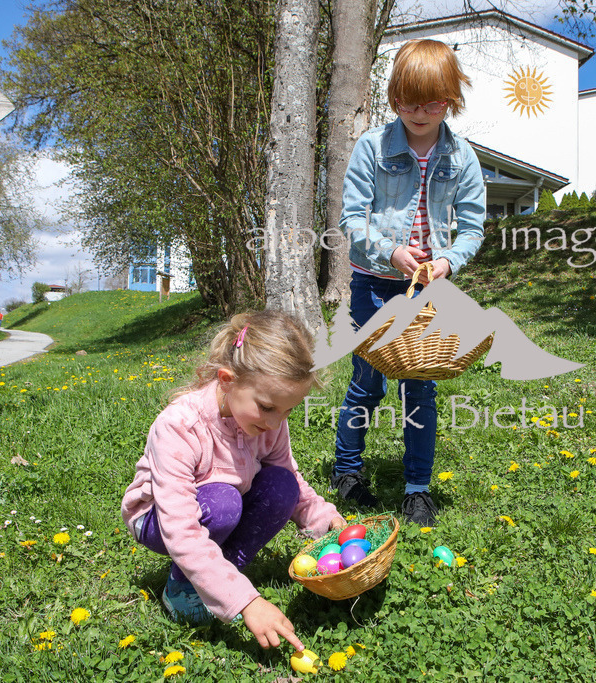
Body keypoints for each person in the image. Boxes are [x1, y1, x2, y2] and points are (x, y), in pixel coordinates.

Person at [121, 310, 344, 651]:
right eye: (268, 407)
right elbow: (179, 529)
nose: (275, 423)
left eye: (288, 411)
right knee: (223, 504)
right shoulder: (181, 426)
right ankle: (181, 590)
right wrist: (247, 602)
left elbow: (291, 482)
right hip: (159, 518)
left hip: (222, 503)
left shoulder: (269, 423)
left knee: (282, 485)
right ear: (227, 380)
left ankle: (224, 573)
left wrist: (326, 520)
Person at [331, 39, 486, 526]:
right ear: (395, 98)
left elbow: (475, 226)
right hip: (374, 286)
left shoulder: (461, 158)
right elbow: (353, 220)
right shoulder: (372, 148)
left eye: (432, 102)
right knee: (367, 383)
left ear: (450, 100)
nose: (419, 112)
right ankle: (347, 470)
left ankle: (417, 488)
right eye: (408, 102)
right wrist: (391, 251)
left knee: (420, 388)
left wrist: (448, 262)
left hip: (425, 291)